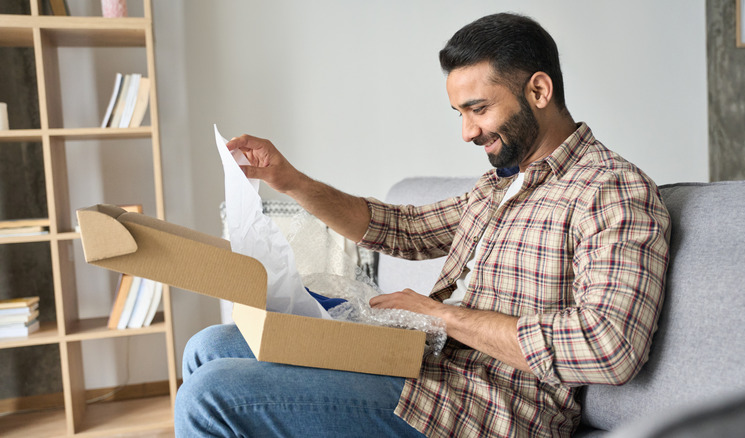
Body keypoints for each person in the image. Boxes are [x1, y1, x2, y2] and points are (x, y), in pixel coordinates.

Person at [174, 12, 671, 437]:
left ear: (539, 89)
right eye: (459, 112)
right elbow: (403, 229)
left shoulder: (612, 190)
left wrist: (444, 316)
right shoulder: (500, 185)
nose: (467, 132)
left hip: (491, 411)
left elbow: (610, 349)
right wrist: (288, 180)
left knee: (209, 394)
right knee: (210, 347)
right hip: (427, 368)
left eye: (478, 109)